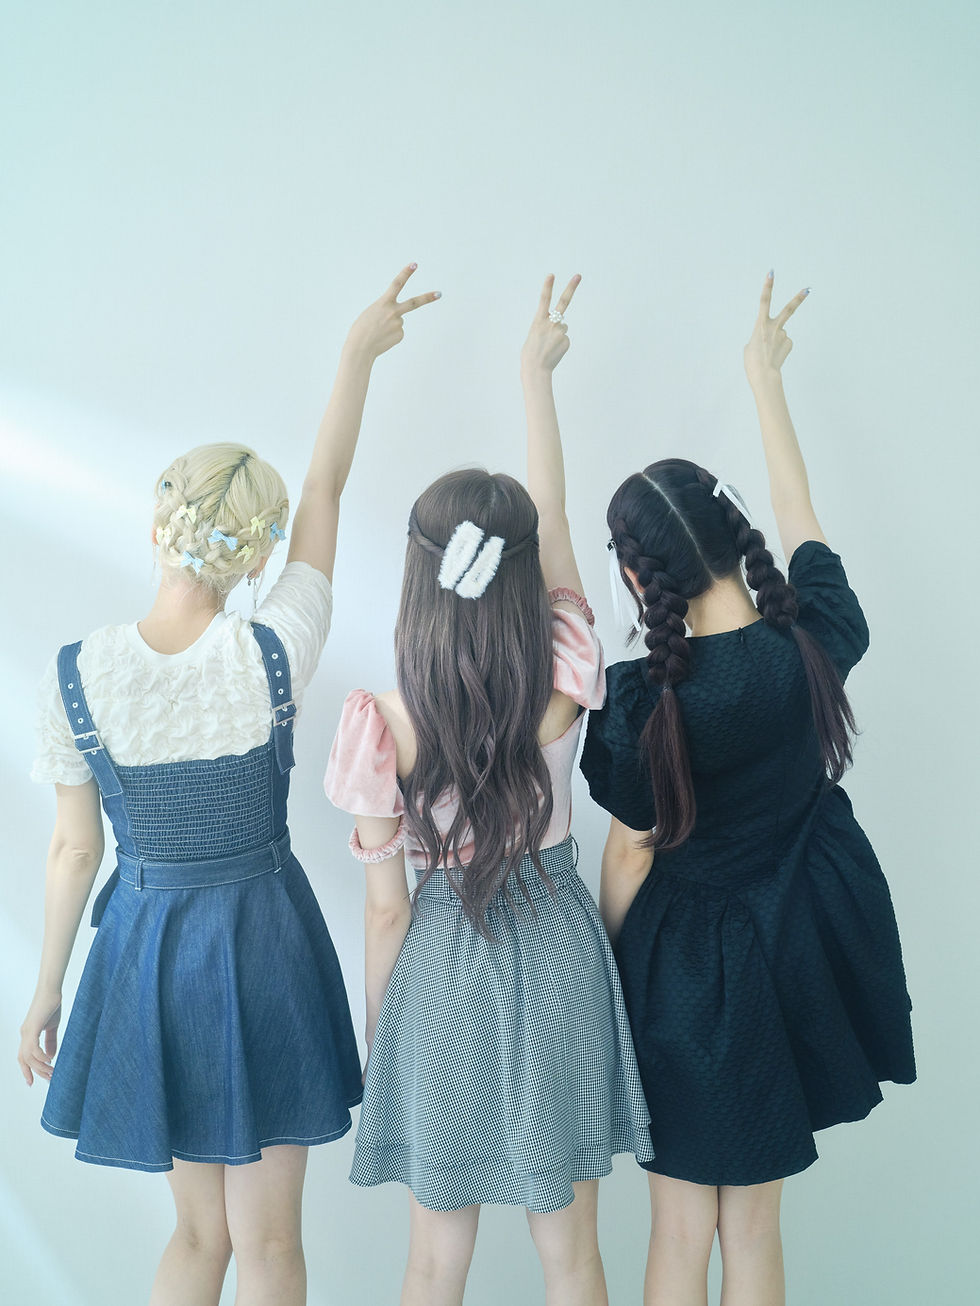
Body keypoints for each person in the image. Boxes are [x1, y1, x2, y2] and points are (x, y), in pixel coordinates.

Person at [17, 265, 440, 1306]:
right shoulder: (272, 649)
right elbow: (326, 491)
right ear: (255, 556)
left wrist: (47, 986)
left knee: (197, 1236)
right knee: (272, 1246)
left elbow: (74, 848)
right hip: (261, 943)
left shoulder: (77, 673)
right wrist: (356, 356)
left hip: (145, 953)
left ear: (157, 524)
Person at [580, 273, 916, 1306]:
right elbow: (802, 517)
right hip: (797, 947)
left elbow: (630, 852)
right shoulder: (811, 636)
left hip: (688, 974)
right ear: (733, 536)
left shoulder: (644, 703)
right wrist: (764, 381)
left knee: (681, 1230)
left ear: (636, 579)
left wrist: (609, 968)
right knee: (756, 1228)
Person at [324, 274, 653, 1306]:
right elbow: (555, 512)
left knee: (434, 1261)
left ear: (418, 576)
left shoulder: (382, 724)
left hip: (440, 967)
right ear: (523, 574)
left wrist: (387, 1031)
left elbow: (386, 912)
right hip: (557, 947)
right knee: (574, 1257)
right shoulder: (563, 667)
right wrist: (534, 377)